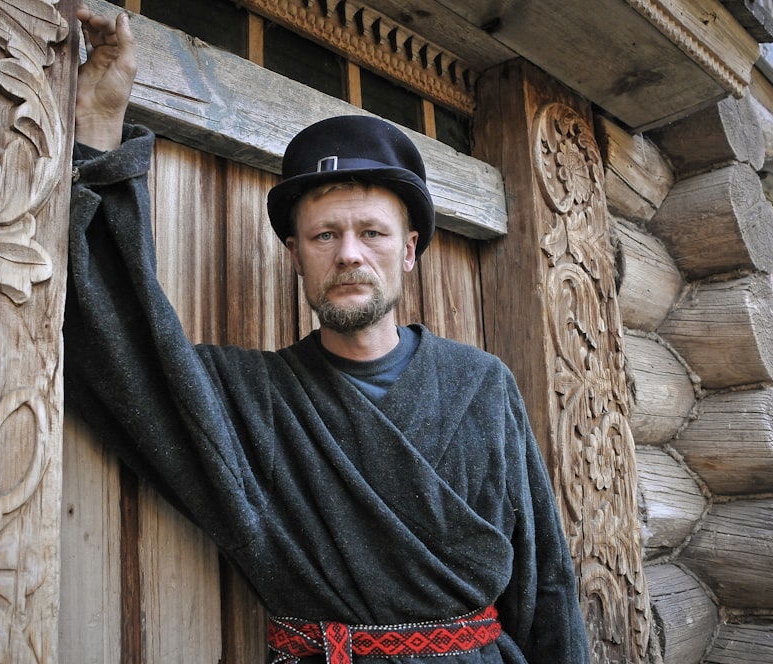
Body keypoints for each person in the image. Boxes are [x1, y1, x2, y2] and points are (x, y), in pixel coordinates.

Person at [66, 7, 590, 664]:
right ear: (296, 255)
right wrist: (96, 127)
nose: (348, 254)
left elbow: (546, 584)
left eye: (371, 233)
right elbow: (118, 351)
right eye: (324, 235)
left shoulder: (483, 384)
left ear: (409, 251)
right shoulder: (250, 400)